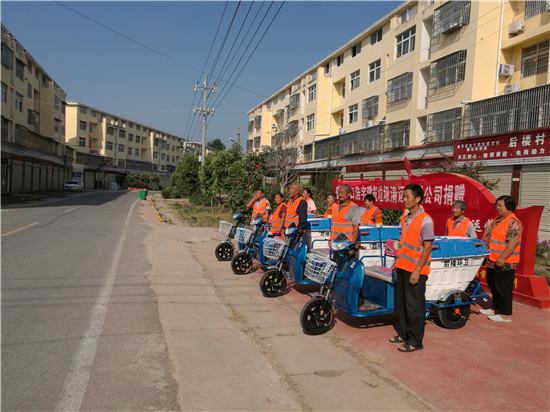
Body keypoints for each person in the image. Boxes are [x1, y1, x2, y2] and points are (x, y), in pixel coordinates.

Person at [391, 183, 434, 353]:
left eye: (407, 196)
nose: (404, 199)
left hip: (415, 270)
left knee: (414, 306)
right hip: (403, 267)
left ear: (417, 199)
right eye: (403, 196)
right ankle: (404, 334)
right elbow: (405, 244)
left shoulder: (426, 220)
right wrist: (398, 262)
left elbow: (427, 248)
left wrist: (417, 270)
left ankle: (415, 341)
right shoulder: (407, 218)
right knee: (402, 304)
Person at [480, 195, 523, 323]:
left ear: (509, 207)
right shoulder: (499, 219)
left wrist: (502, 257)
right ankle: (496, 308)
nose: (498, 208)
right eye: (497, 205)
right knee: (493, 285)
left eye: (500, 206)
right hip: (492, 260)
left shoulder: (513, 222)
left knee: (503, 288)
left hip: (504, 261)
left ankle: (505, 314)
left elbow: (513, 242)